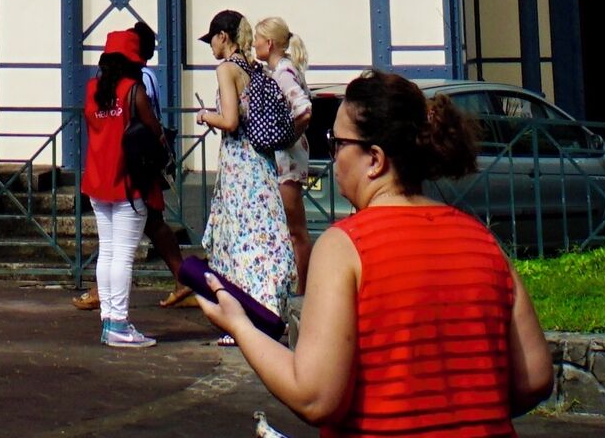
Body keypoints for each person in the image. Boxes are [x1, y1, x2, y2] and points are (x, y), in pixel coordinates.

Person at [202, 66, 554, 437]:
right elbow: (534, 378)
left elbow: (314, 396)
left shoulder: (344, 248)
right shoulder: (483, 242)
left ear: (375, 159)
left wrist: (239, 325)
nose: (333, 157)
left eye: (337, 143)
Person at [202, 9, 300, 323]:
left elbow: (230, 121)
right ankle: (268, 310)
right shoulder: (251, 67)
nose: (211, 47)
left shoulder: (227, 69)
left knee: (240, 239)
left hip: (238, 167)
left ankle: (243, 317)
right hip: (261, 162)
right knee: (262, 236)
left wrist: (206, 116)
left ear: (223, 37)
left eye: (212, 40)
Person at [82, 42, 166, 350]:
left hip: (97, 178)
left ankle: (109, 320)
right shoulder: (133, 90)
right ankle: (118, 323)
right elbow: (153, 128)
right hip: (128, 181)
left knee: (107, 251)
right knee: (123, 255)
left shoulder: (92, 88)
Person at [255, 13, 317, 286]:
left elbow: (303, 108)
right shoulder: (283, 70)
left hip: (287, 159)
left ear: (269, 43)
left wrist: (288, 135)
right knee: (290, 228)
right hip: (288, 156)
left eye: (257, 39)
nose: (254, 44)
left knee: (295, 229)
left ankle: (303, 287)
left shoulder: (282, 73)